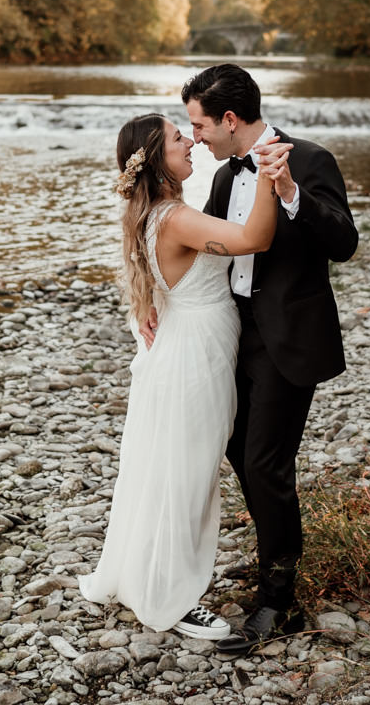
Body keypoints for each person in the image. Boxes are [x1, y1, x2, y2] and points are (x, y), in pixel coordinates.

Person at [77, 112, 292, 641]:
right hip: (195, 358)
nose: (191, 141)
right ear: (157, 158)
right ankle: (172, 599)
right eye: (179, 138)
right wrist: (268, 171)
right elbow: (255, 238)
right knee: (188, 479)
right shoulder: (174, 217)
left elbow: (153, 282)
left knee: (168, 471)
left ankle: (146, 575)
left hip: (185, 349)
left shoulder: (152, 213)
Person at [179, 63, 359, 654]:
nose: (197, 137)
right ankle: (277, 546)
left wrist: (289, 194)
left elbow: (344, 243)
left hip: (289, 337)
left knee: (265, 464)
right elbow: (212, 246)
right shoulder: (227, 174)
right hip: (235, 333)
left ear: (230, 120)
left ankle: (278, 598)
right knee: (234, 447)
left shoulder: (308, 159)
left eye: (200, 126)